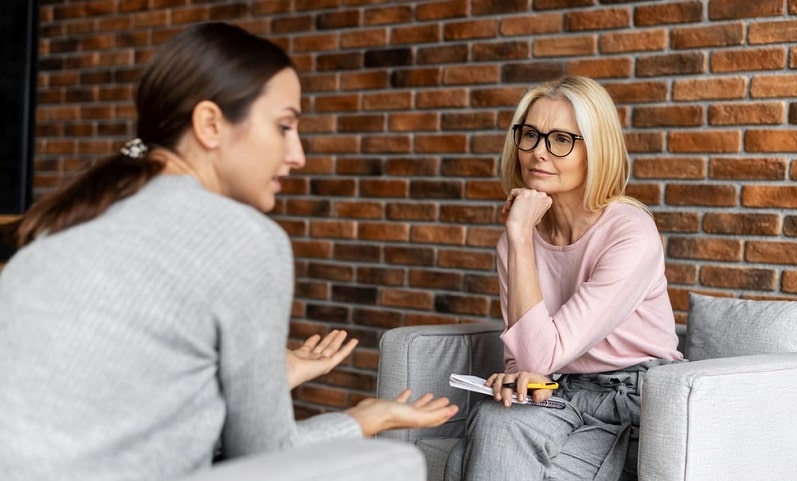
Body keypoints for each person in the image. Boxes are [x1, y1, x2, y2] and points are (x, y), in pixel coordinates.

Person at [0, 22, 457, 481]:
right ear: (210, 124)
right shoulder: (243, 237)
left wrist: (279, 375)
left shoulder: (71, 218)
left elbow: (127, 406)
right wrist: (367, 417)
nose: (297, 154)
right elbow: (265, 457)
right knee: (390, 463)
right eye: (284, 126)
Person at [444, 76, 683, 481]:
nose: (539, 153)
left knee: (479, 450)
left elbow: (541, 353)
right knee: (493, 419)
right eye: (531, 135)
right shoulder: (518, 241)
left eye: (560, 139)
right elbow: (526, 359)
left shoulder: (630, 232)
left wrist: (518, 234)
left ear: (596, 149)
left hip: (633, 399)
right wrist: (515, 376)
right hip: (559, 390)